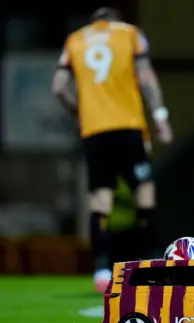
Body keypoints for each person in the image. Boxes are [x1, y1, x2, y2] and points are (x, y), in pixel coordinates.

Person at [52, 7, 172, 292]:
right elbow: (146, 78)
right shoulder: (130, 34)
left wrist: (77, 111)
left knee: (100, 204)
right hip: (128, 127)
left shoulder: (75, 40)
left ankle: (102, 270)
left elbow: (58, 86)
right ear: (114, 20)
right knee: (144, 196)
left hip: (95, 131)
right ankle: (152, 263)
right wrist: (161, 117)